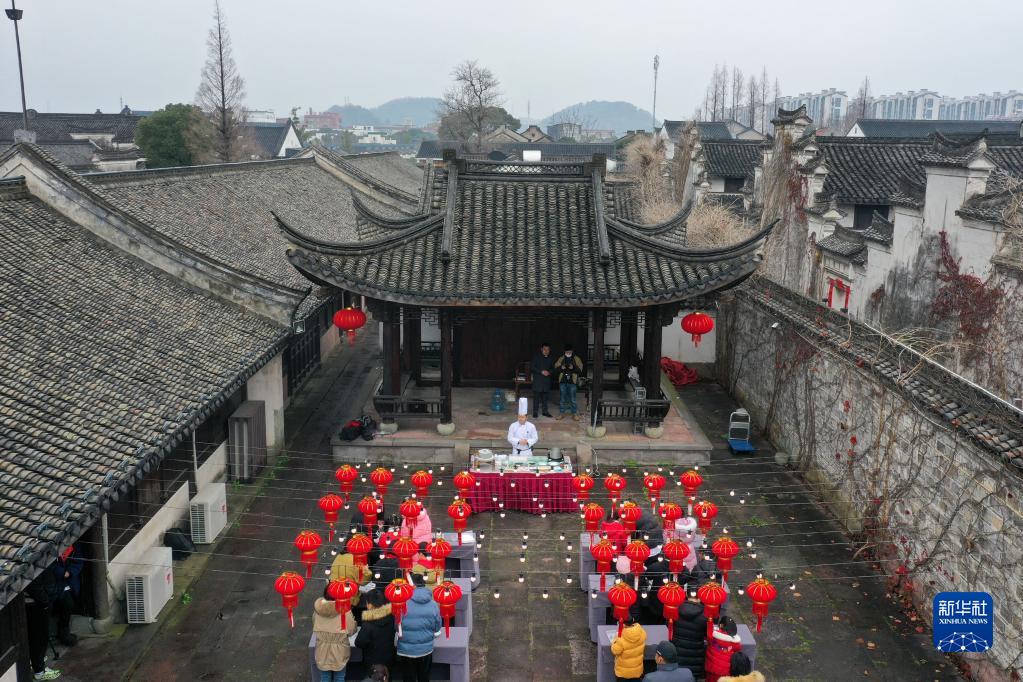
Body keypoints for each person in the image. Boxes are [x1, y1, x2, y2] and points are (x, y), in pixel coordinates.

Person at [395, 573, 442, 682]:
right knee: (424, 677)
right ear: (424, 584)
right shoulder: (433, 604)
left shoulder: (402, 603)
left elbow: (397, 626)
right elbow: (437, 626)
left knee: (408, 678)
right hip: (425, 649)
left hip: (406, 650)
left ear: (412, 585)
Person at [313, 585, 357, 682]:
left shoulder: (318, 609)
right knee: (339, 677)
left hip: (322, 649)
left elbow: (314, 624)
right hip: (340, 650)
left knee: (324, 677)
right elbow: (351, 630)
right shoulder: (345, 610)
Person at [25, 570, 60, 680]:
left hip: (36, 603)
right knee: (38, 638)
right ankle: (40, 672)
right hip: (35, 605)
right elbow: (34, 587)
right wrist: (46, 603)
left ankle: (38, 662)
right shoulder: (31, 568)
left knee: (38, 638)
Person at [355, 588, 396, 682]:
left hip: (372, 662)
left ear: (370, 605)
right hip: (388, 658)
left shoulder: (368, 624)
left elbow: (359, 643)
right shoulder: (391, 617)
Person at [49, 545, 83, 646]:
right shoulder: (50, 550)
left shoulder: (73, 548)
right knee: (66, 605)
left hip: (70, 582)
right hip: (57, 585)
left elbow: (79, 561)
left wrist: (70, 572)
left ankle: (64, 634)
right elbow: (50, 566)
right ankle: (63, 635)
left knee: (68, 606)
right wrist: (62, 573)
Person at [670, 589, 707, 680]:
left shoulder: (675, 609)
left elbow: (669, 626)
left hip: (678, 655)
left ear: (686, 593)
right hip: (695, 658)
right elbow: (707, 634)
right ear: (700, 597)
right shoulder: (705, 615)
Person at [705, 616, 742, 682]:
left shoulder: (712, 636)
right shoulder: (735, 643)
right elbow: (738, 649)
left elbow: (708, 633)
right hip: (726, 672)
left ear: (721, 625)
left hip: (712, 668)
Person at [610, 616, 646, 681]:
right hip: (637, 671)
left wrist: (615, 639)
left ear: (623, 624)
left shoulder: (620, 638)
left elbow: (615, 651)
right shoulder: (642, 632)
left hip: (623, 674)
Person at [554, 344, 584, 420]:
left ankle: (574, 414)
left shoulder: (576, 359)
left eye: (569, 351)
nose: (568, 352)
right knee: (562, 398)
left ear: (572, 351)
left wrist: (573, 367)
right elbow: (556, 368)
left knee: (573, 399)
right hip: (563, 381)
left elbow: (580, 369)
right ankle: (561, 413)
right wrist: (561, 367)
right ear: (564, 351)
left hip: (572, 381)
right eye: (567, 351)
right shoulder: (561, 358)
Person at [530, 342, 555, 418]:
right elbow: (532, 367)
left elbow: (553, 368)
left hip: (546, 380)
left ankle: (545, 411)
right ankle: (535, 412)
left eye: (548, 349)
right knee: (536, 398)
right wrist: (541, 371)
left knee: (545, 398)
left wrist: (549, 372)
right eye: (544, 349)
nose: (546, 351)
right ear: (541, 349)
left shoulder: (551, 358)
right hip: (538, 380)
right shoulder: (536, 357)